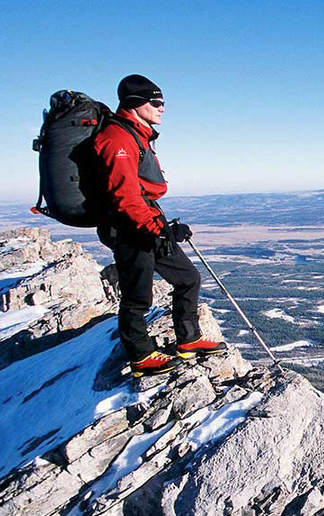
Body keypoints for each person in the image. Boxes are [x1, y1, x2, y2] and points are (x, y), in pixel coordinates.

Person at [95, 74, 226, 377]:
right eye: (156, 102)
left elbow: (139, 192)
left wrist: (164, 226)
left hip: (148, 221)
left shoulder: (136, 135)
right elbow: (124, 197)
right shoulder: (118, 139)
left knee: (188, 278)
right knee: (137, 294)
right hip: (128, 228)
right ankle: (140, 356)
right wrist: (157, 228)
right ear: (135, 103)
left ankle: (189, 339)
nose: (162, 108)